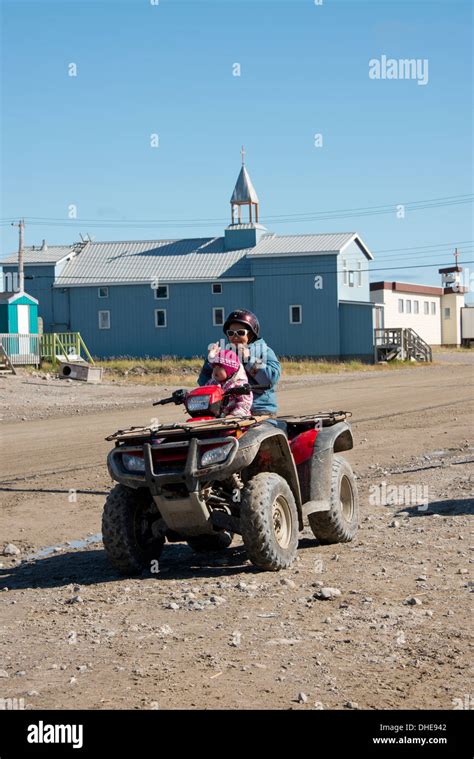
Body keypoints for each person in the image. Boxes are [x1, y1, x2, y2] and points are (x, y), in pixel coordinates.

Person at [198, 309, 281, 415]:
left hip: (258, 410)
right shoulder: (224, 353)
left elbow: (270, 379)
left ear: (251, 334)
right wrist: (211, 361)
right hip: (227, 411)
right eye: (231, 333)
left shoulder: (263, 351)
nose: (235, 336)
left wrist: (249, 360)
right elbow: (204, 384)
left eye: (241, 332)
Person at [205, 348, 253, 417]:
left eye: (220, 368)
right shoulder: (212, 383)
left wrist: (234, 415)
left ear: (230, 370)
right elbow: (203, 393)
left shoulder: (239, 385)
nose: (215, 370)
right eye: (214, 367)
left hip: (237, 419)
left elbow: (244, 403)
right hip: (215, 415)